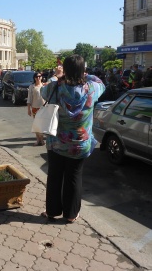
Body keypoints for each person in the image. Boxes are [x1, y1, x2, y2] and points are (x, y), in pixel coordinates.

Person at [40, 55, 105, 223]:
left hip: (56, 143)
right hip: (80, 144)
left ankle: (52, 211)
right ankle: (71, 214)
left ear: (65, 70)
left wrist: (57, 75)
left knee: (54, 176)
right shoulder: (91, 88)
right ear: (83, 70)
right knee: (74, 177)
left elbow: (42, 91)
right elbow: (101, 83)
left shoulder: (55, 87)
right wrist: (84, 74)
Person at [27, 72, 45, 146]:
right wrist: (28, 109)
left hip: (43, 108)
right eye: (36, 77)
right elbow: (29, 98)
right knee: (37, 124)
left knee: (43, 124)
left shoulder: (44, 86)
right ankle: (38, 140)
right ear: (34, 78)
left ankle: (42, 139)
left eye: (39, 76)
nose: (38, 78)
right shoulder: (32, 87)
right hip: (35, 107)